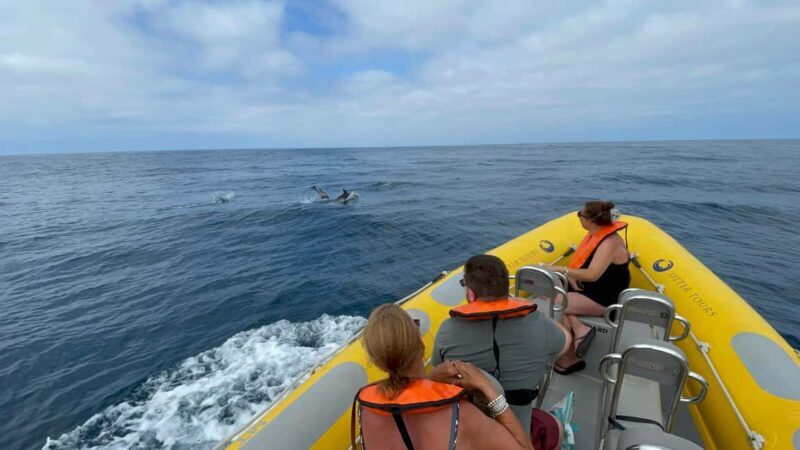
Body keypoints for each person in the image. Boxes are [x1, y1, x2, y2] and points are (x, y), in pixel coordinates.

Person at [353, 304, 533, 450]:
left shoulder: (367, 411)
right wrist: (486, 387)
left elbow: (409, 403)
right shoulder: (461, 414)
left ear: (377, 360)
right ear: (421, 344)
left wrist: (430, 380)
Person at [432, 255, 571, 434]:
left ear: (471, 294)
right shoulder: (537, 322)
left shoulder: (447, 330)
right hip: (518, 434)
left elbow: (438, 368)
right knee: (556, 426)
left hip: (469, 431)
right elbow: (565, 343)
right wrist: (539, 316)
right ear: (506, 289)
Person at [548, 200, 630, 375]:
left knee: (553, 301)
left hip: (605, 298)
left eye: (580, 214)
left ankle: (571, 358)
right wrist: (572, 275)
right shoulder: (596, 235)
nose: (578, 217)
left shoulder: (610, 243)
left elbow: (592, 274)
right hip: (591, 289)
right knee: (552, 290)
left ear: (590, 221)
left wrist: (561, 269)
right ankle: (578, 328)